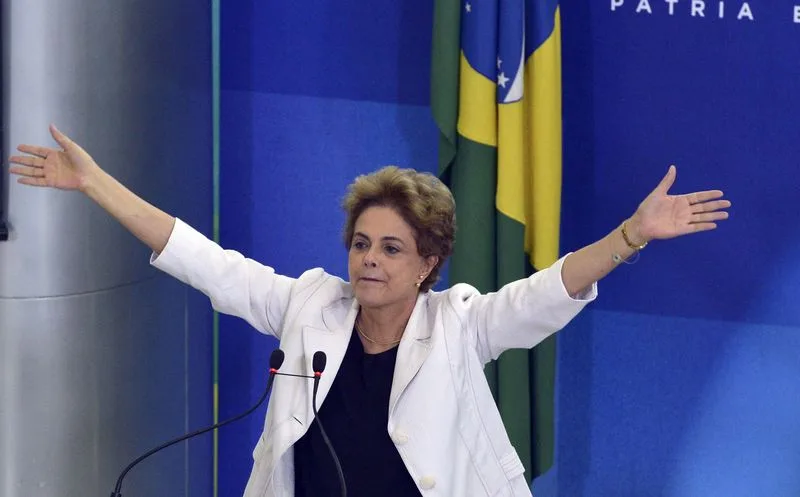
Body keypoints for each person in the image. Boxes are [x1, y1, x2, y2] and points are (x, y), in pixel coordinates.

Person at [9, 125, 730, 497]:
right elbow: (204, 260)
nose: (370, 260)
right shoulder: (309, 305)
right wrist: (97, 184)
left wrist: (631, 234)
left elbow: (552, 290)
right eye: (361, 243)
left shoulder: (459, 323)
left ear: (428, 264)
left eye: (391, 247)